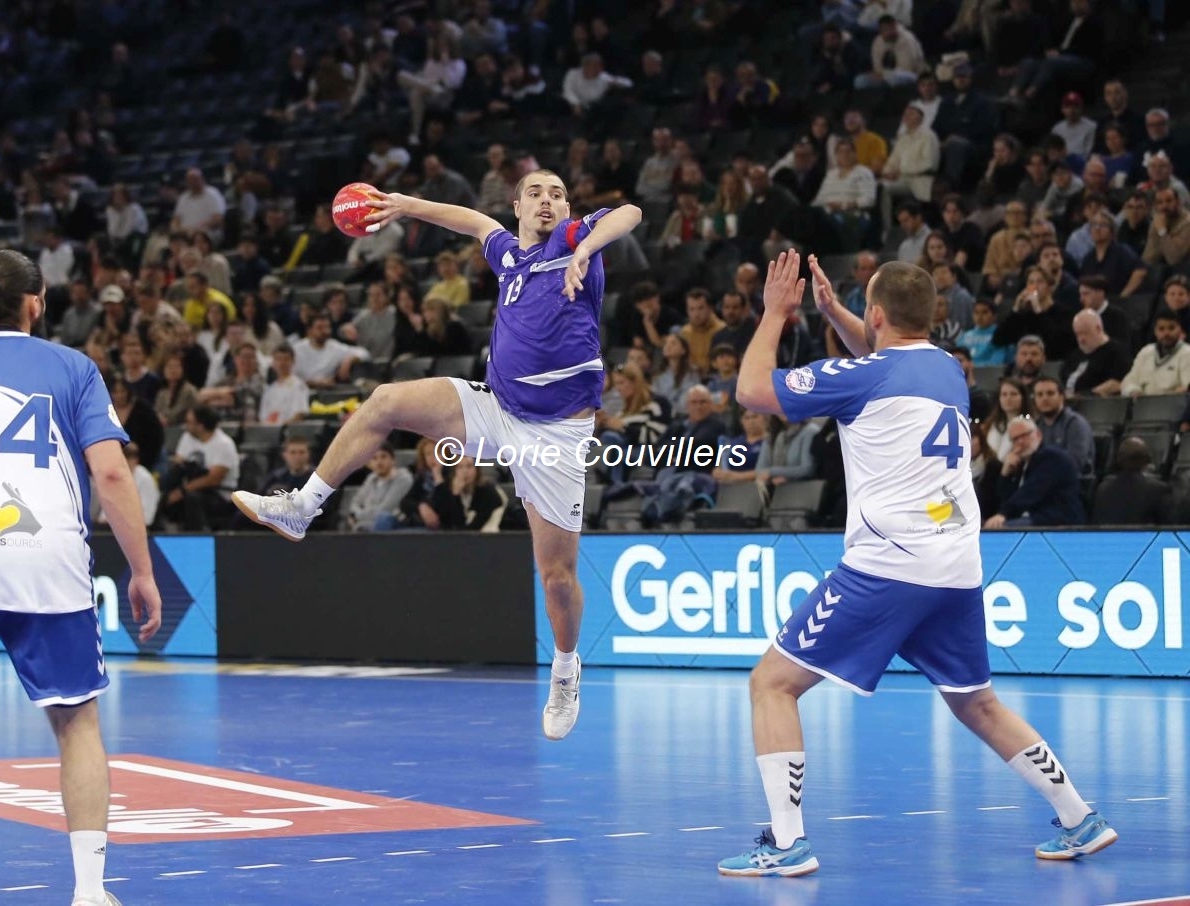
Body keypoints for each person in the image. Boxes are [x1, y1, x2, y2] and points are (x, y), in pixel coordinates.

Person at [717, 251, 1115, 878]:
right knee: (976, 702)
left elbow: (751, 391)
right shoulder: (949, 369)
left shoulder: (863, 376)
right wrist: (838, 313)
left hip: (888, 566)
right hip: (956, 566)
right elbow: (883, 354)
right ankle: (1080, 818)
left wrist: (776, 315)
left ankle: (788, 843)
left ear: (876, 313)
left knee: (773, 683)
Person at [232, 170, 642, 741]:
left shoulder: (576, 240)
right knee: (383, 401)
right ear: (519, 207)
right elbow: (469, 220)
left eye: (557, 194)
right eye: (536, 194)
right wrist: (403, 205)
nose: (547, 201)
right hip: (498, 408)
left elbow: (630, 212)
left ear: (566, 208)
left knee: (555, 579)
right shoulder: (507, 254)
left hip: (556, 436)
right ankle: (302, 507)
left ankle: (567, 667)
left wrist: (586, 249)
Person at [0, 249, 162, 906]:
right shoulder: (73, 368)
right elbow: (112, 474)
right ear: (36, 304)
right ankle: (89, 891)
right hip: (44, 559)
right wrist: (142, 571)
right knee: (76, 723)